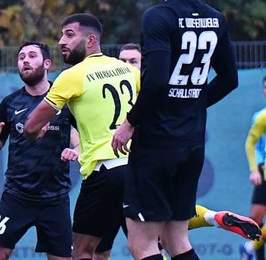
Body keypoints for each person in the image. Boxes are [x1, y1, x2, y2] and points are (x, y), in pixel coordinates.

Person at [112, 0, 239, 260]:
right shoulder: (215, 18)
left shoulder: (158, 16)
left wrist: (129, 123)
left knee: (141, 244)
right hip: (191, 143)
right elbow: (229, 79)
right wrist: (193, 103)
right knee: (176, 240)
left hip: (156, 143)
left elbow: (154, 81)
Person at [93, 44, 259, 260]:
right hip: (167, 158)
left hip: (127, 166)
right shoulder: (159, 90)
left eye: (133, 61)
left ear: (145, 64)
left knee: (123, 246)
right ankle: (211, 217)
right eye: (122, 61)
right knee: (170, 236)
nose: (127, 66)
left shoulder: (146, 91)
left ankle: (212, 217)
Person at [22, 13, 139, 260]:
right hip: (136, 168)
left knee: (83, 251)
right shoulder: (128, 70)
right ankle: (208, 217)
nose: (61, 41)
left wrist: (37, 130)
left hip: (104, 171)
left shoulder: (72, 75)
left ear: (91, 40)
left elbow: (31, 127)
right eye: (62, 34)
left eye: (69, 34)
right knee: (147, 247)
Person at [0, 42, 75, 260]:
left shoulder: (64, 100)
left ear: (46, 64)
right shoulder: (10, 102)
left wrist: (78, 149)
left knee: (61, 257)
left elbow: (78, 134)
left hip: (55, 195)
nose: (25, 60)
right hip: (17, 194)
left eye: (32, 56)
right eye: (21, 57)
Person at [240, 78, 266, 260]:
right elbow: (252, 143)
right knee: (256, 219)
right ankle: (253, 251)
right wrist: (255, 169)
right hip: (264, 172)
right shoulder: (261, 117)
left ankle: (249, 248)